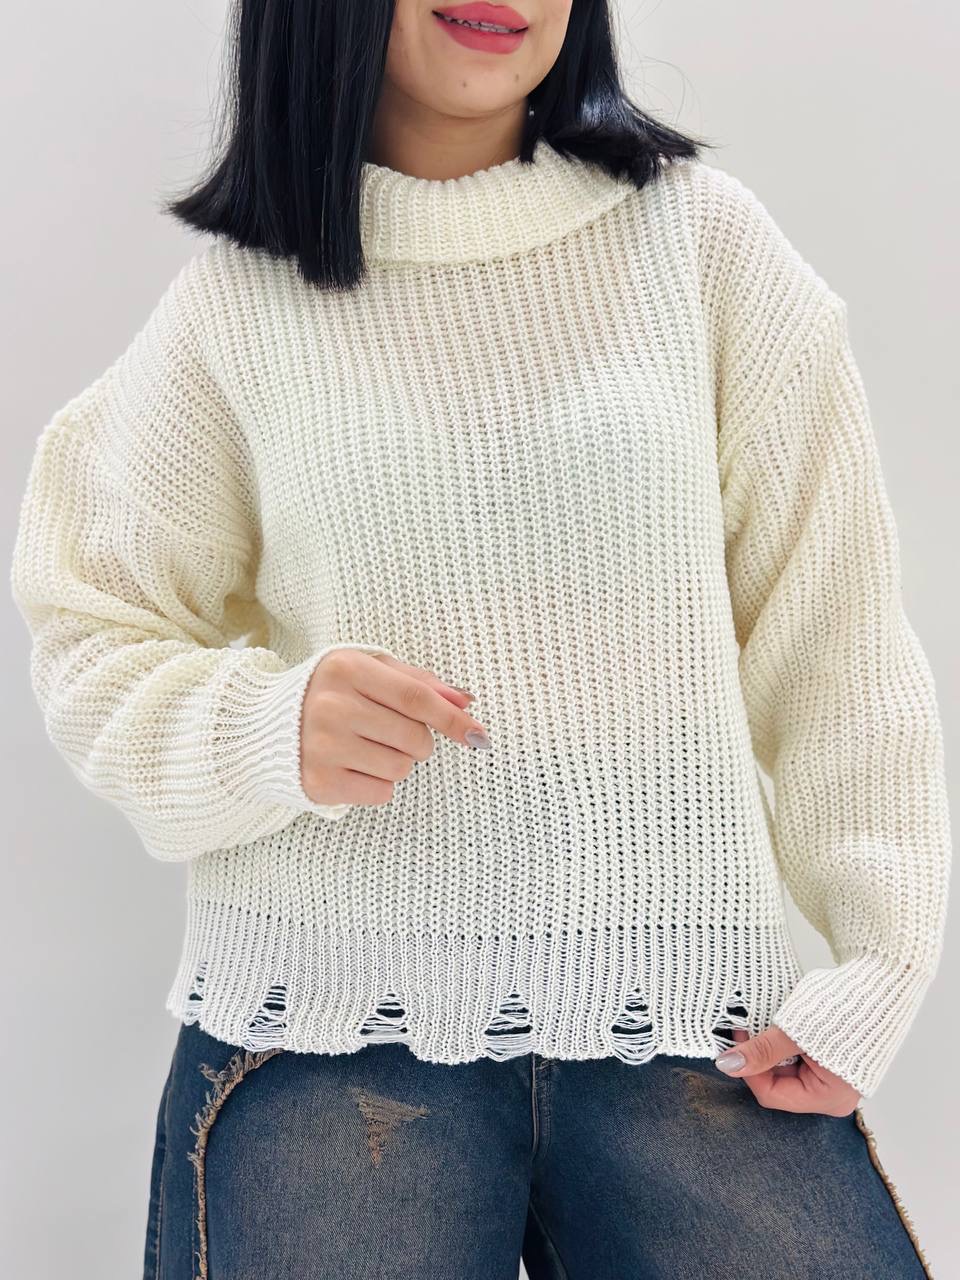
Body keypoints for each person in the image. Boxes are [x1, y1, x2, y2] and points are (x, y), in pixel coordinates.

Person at [9, 1, 950, 1276]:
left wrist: (880, 956)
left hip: (694, 1028)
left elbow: (835, 635)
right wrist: (264, 728)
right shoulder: (236, 306)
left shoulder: (704, 247)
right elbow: (92, 621)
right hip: (328, 1033)